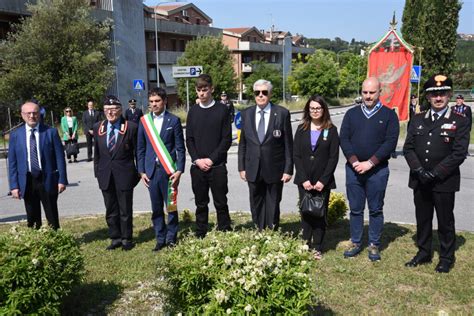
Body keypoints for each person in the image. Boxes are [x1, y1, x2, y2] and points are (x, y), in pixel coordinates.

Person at [403, 75, 470, 273]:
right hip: (420, 179)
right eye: (434, 94)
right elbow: (408, 148)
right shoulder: (417, 119)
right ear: (428, 97)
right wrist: (419, 170)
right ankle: (423, 252)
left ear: (449, 95)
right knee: (423, 218)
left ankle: (446, 257)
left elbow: (459, 153)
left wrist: (436, 173)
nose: (438, 98)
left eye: (442, 94)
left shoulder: (460, 121)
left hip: (444, 181)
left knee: (445, 220)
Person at [339, 77, 399, 261]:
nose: (368, 96)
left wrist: (370, 163)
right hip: (354, 169)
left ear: (380, 92)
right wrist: (355, 161)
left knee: (375, 209)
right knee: (355, 209)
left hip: (377, 171)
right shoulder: (352, 114)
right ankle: (356, 242)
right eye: (365, 92)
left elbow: (390, 143)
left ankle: (374, 244)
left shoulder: (389, 115)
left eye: (372, 92)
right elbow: (344, 139)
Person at [238, 79, 293, 230]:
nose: (260, 96)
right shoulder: (246, 114)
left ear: (270, 94)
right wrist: (241, 167)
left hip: (274, 167)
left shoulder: (282, 113)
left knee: (273, 201)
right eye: (257, 93)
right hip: (252, 167)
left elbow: (288, 144)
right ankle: (259, 229)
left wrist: (288, 169)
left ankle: (272, 230)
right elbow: (243, 143)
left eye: (264, 92)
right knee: (255, 202)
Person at [137, 88, 185, 251]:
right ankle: (160, 238)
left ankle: (171, 238)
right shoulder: (144, 122)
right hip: (151, 172)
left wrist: (179, 170)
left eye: (157, 101)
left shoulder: (174, 121)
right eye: (151, 102)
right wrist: (142, 172)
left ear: (164, 101)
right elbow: (140, 149)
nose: (154, 104)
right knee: (156, 208)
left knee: (171, 206)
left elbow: (180, 148)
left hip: (169, 172)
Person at [8, 101, 68, 230]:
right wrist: (14, 186)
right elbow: (12, 163)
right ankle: (36, 243)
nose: (32, 116)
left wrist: (62, 180)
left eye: (35, 113)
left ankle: (55, 241)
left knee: (51, 214)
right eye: (28, 113)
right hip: (27, 180)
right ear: (22, 115)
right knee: (32, 216)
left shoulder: (51, 132)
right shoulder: (15, 135)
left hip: (47, 179)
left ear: (39, 114)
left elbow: (60, 158)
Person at [186, 74, 232, 238]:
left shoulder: (222, 110)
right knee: (201, 203)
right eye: (199, 90)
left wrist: (211, 159)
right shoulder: (193, 111)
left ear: (211, 89)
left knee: (221, 202)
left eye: (205, 90)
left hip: (217, 166)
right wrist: (197, 159)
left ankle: (225, 232)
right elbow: (189, 139)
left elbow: (226, 139)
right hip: (197, 167)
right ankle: (200, 233)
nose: (202, 93)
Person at [293, 95, 339, 260]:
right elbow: (296, 155)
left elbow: (333, 158)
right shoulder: (301, 129)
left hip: (322, 181)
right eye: (312, 108)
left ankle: (318, 247)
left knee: (319, 213)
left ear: (324, 110)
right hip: (304, 180)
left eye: (318, 108)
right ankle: (305, 243)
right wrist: (303, 178)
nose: (315, 111)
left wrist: (323, 181)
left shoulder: (331, 130)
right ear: (308, 110)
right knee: (306, 212)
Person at [94, 95, 140, 251]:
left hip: (125, 174)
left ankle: (127, 239)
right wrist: (97, 173)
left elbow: (138, 153)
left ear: (120, 111)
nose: (110, 113)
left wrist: (138, 173)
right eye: (107, 109)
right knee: (111, 209)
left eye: (113, 109)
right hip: (105, 175)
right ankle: (115, 238)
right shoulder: (98, 127)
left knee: (125, 209)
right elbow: (97, 154)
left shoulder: (131, 127)